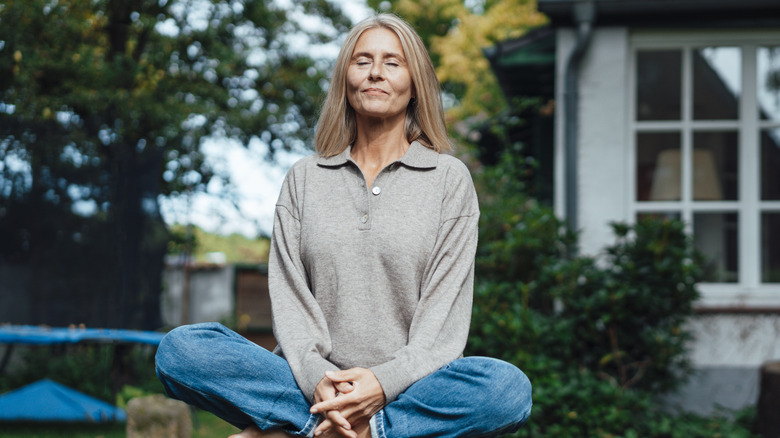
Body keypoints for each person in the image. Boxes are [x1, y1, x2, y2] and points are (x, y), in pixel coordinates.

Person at [155, 13, 532, 438]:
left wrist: (382, 383)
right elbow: (291, 302)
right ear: (345, 80)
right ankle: (339, 424)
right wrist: (318, 376)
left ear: (415, 85)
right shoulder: (305, 177)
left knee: (507, 390)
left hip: (411, 386)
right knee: (180, 350)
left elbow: (442, 328)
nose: (375, 72)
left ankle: (331, 428)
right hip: (310, 383)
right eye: (362, 61)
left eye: (393, 62)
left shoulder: (448, 179)